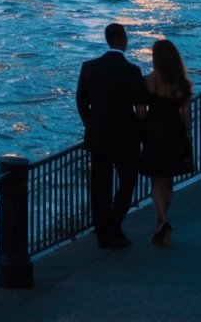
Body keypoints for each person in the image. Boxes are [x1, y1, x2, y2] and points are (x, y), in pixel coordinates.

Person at [76, 22, 146, 250]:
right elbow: (140, 109)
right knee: (127, 182)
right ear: (123, 39)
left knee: (100, 186)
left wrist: (91, 124)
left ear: (108, 39)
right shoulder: (133, 71)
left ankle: (102, 232)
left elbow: (81, 101)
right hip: (126, 137)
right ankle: (114, 225)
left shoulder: (89, 67)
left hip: (98, 136)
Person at [138, 39, 193, 248]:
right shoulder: (183, 84)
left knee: (156, 179)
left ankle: (163, 220)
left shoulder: (148, 82)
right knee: (168, 180)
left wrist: (140, 126)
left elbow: (142, 112)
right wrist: (186, 134)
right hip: (175, 131)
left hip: (154, 131)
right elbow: (185, 113)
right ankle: (161, 222)